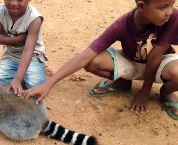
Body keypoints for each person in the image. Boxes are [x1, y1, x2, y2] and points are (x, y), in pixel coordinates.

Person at [24, 0, 178, 120]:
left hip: (160, 64)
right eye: (163, 7)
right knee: (92, 61)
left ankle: (166, 93)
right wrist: (48, 83)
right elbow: (86, 55)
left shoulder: (172, 18)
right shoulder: (123, 24)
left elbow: (155, 58)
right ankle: (123, 82)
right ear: (141, 7)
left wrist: (145, 92)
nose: (169, 12)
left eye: (172, 4)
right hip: (133, 63)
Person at [0, 0, 48, 96]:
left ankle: (21, 79)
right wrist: (18, 39)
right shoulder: (1, 11)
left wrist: (17, 79)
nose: (13, 3)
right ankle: (20, 79)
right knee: (0, 86)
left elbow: (28, 51)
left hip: (33, 57)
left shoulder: (34, 19)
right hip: (11, 56)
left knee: (36, 88)